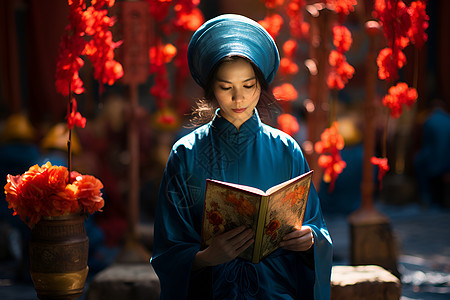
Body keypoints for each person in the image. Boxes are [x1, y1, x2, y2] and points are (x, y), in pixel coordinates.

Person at [150, 14, 332, 299]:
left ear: (261, 85)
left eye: (248, 86)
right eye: (226, 87)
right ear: (211, 88)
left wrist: (309, 239)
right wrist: (206, 257)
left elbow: (316, 227)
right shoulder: (185, 154)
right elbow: (167, 249)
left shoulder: (286, 150)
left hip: (276, 290)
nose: (239, 99)